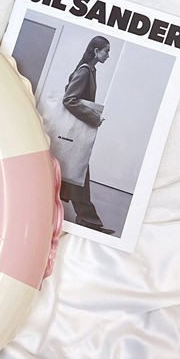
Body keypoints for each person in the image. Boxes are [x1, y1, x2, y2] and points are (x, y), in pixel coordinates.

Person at [58, 35, 115, 235]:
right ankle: (88, 220)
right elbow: (69, 99)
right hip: (75, 135)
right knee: (79, 175)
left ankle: (86, 219)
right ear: (96, 51)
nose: (108, 55)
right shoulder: (85, 71)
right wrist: (93, 117)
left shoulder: (89, 70)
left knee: (75, 176)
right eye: (106, 51)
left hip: (74, 136)